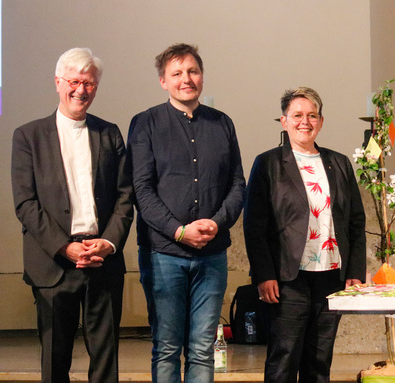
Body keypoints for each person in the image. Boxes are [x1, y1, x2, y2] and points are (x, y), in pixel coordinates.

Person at [11, 47, 133, 383]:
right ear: (58, 82)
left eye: (90, 83)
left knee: (106, 360)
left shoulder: (110, 133)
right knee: (55, 359)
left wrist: (108, 243)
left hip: (103, 261)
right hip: (53, 264)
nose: (81, 90)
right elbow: (25, 203)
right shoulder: (27, 136)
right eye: (75, 81)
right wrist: (65, 247)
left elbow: (126, 196)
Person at [129, 43, 246, 383]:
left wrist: (217, 221)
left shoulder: (222, 123)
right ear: (163, 81)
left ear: (202, 77)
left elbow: (237, 184)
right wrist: (179, 230)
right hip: (163, 254)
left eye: (192, 71)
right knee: (166, 347)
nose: (186, 79)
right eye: (177, 73)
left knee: (202, 348)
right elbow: (142, 190)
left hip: (212, 255)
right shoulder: (145, 123)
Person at [243, 87, 366, 382]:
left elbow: (355, 221)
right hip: (287, 279)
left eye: (312, 115)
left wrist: (355, 271)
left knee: (319, 361)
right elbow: (254, 225)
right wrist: (264, 274)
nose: (305, 122)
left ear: (321, 121)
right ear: (284, 121)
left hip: (331, 275)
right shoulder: (268, 163)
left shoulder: (339, 163)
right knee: (283, 359)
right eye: (297, 115)